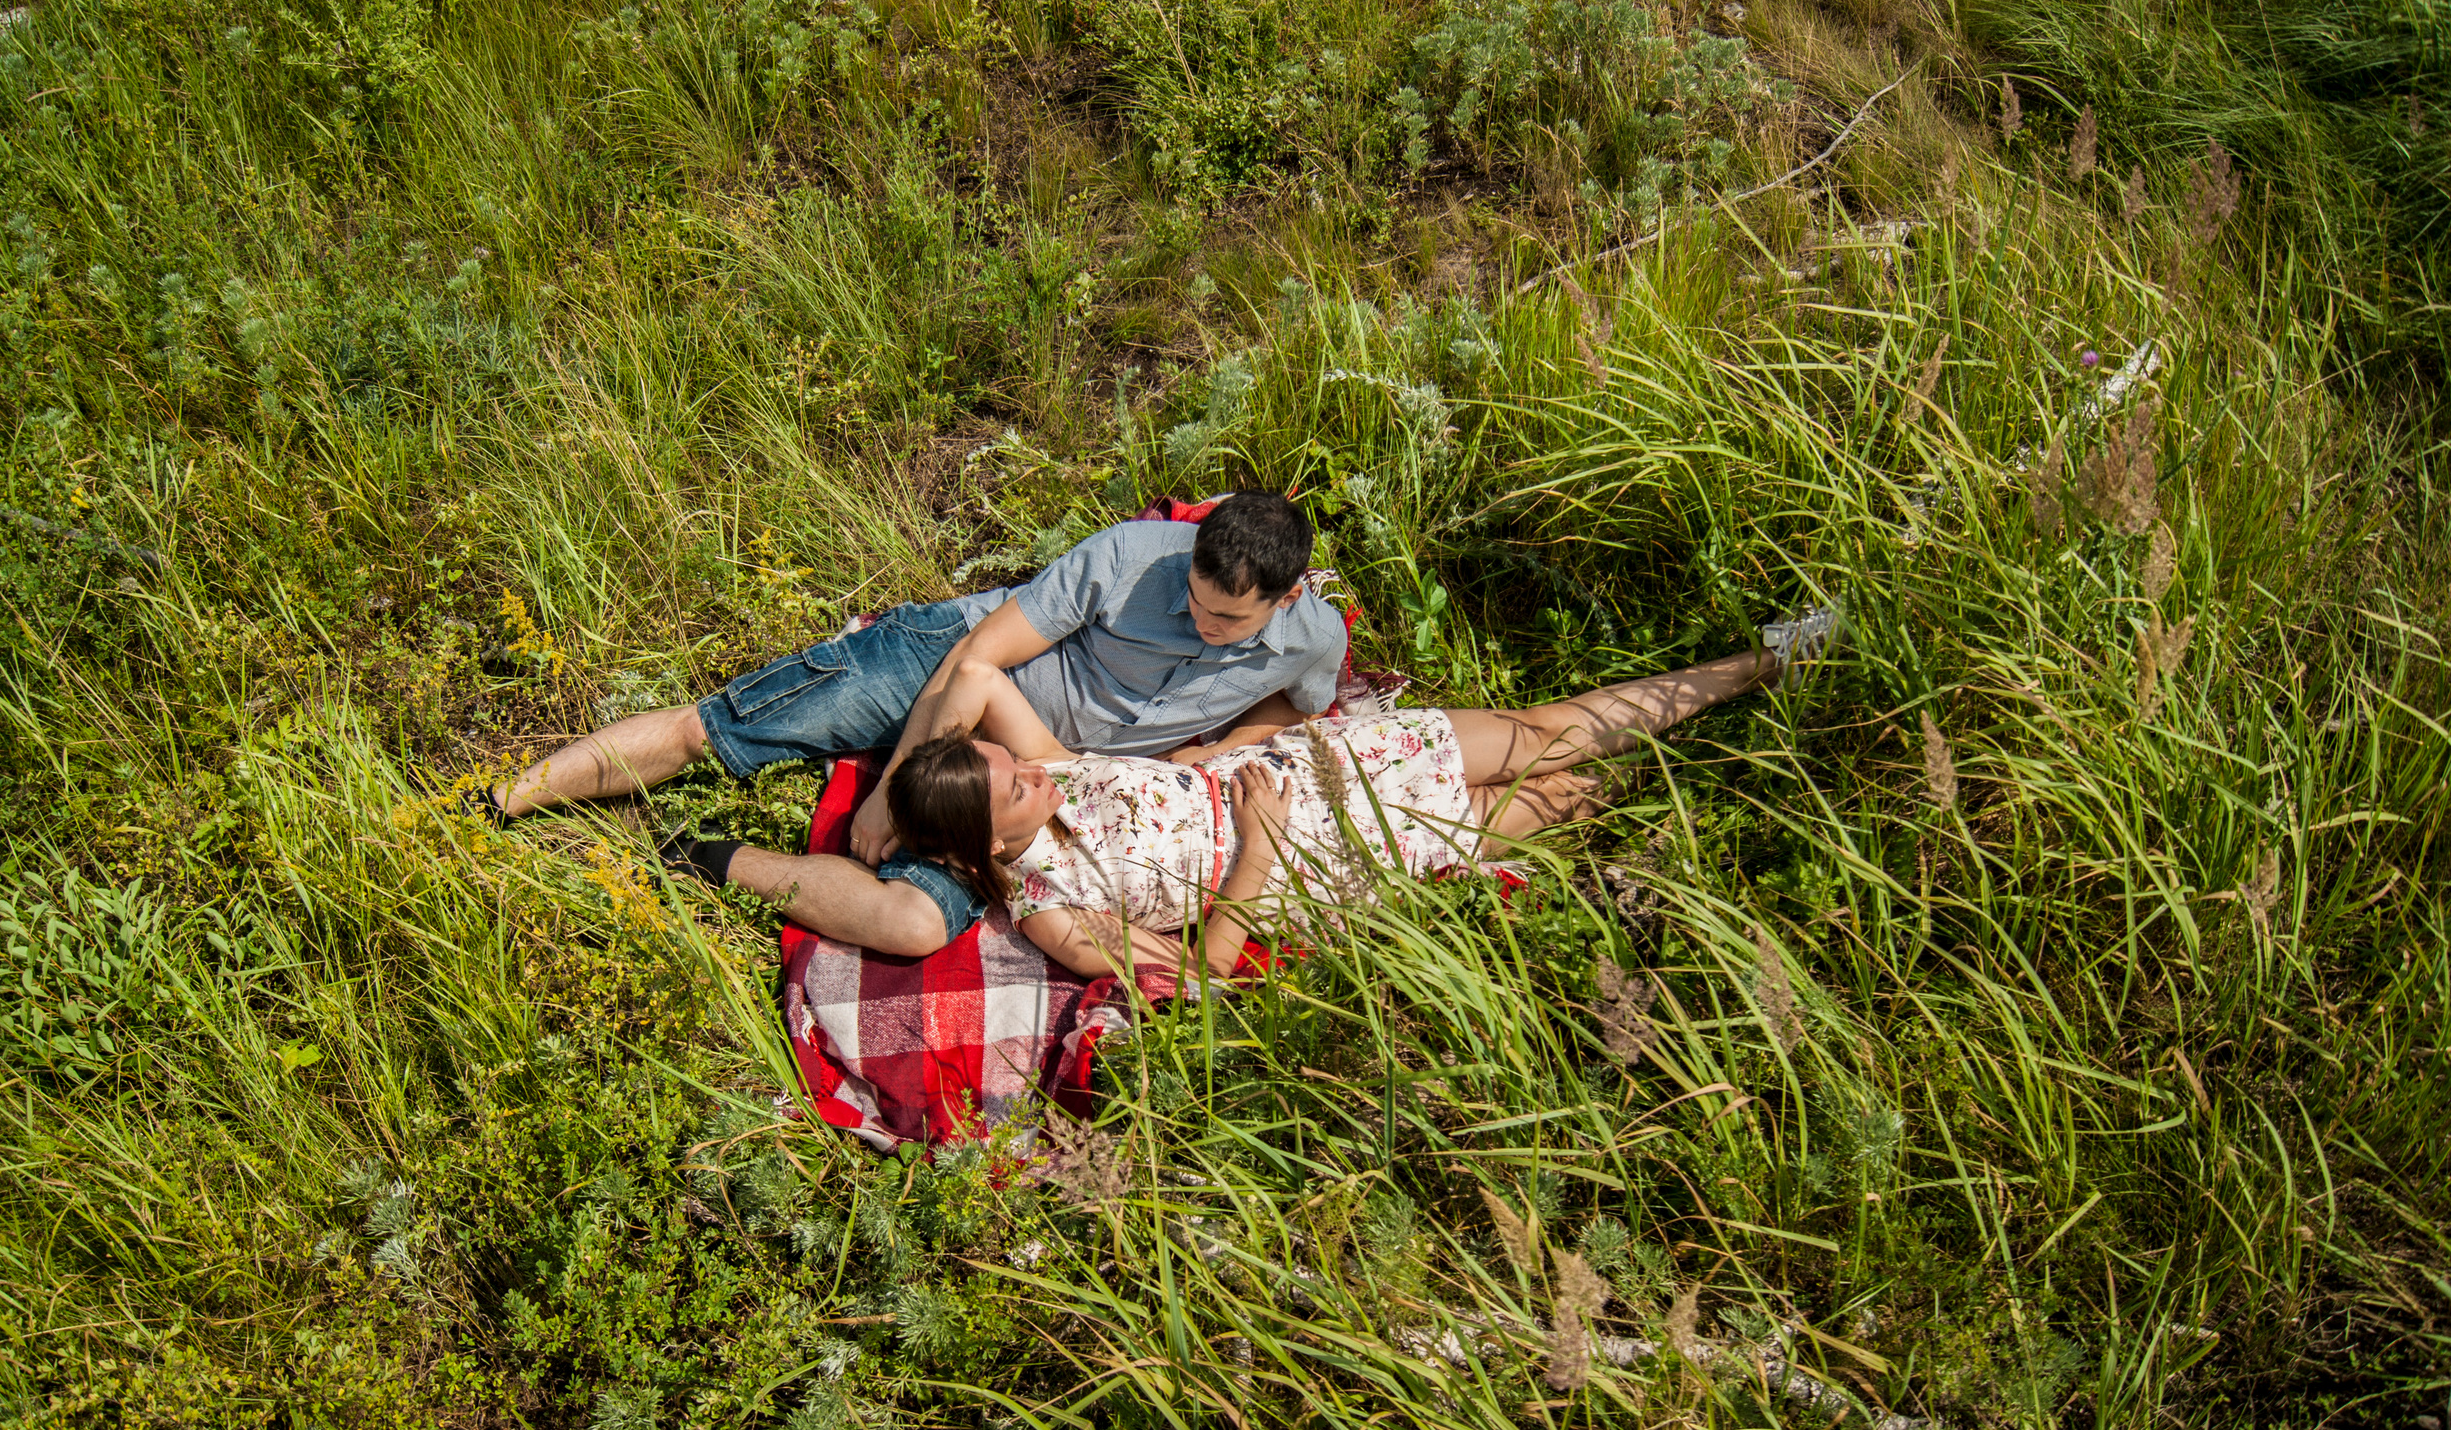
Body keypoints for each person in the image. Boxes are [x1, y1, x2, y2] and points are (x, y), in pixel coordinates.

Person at [478, 493, 1347, 956]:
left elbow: (1296, 702)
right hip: (957, 671)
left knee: (917, 925)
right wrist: (891, 790)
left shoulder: (1315, 639)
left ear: (1289, 594)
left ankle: (696, 854)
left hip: (1047, 773)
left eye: (1229, 624)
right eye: (1193, 603)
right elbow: (978, 661)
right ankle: (498, 804)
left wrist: (1219, 748)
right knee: (715, 734)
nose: (1202, 626)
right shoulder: (1129, 559)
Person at [881, 609, 1841, 984]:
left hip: (1333, 764)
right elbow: (1208, 966)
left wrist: (886, 794)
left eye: (1015, 763)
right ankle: (1731, 768)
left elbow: (983, 679)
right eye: (1014, 786)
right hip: (1323, 852)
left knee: (1542, 728)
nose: (1035, 769)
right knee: (1571, 797)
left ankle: (1759, 664)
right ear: (988, 842)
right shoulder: (1057, 913)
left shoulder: (1057, 771)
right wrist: (1256, 850)